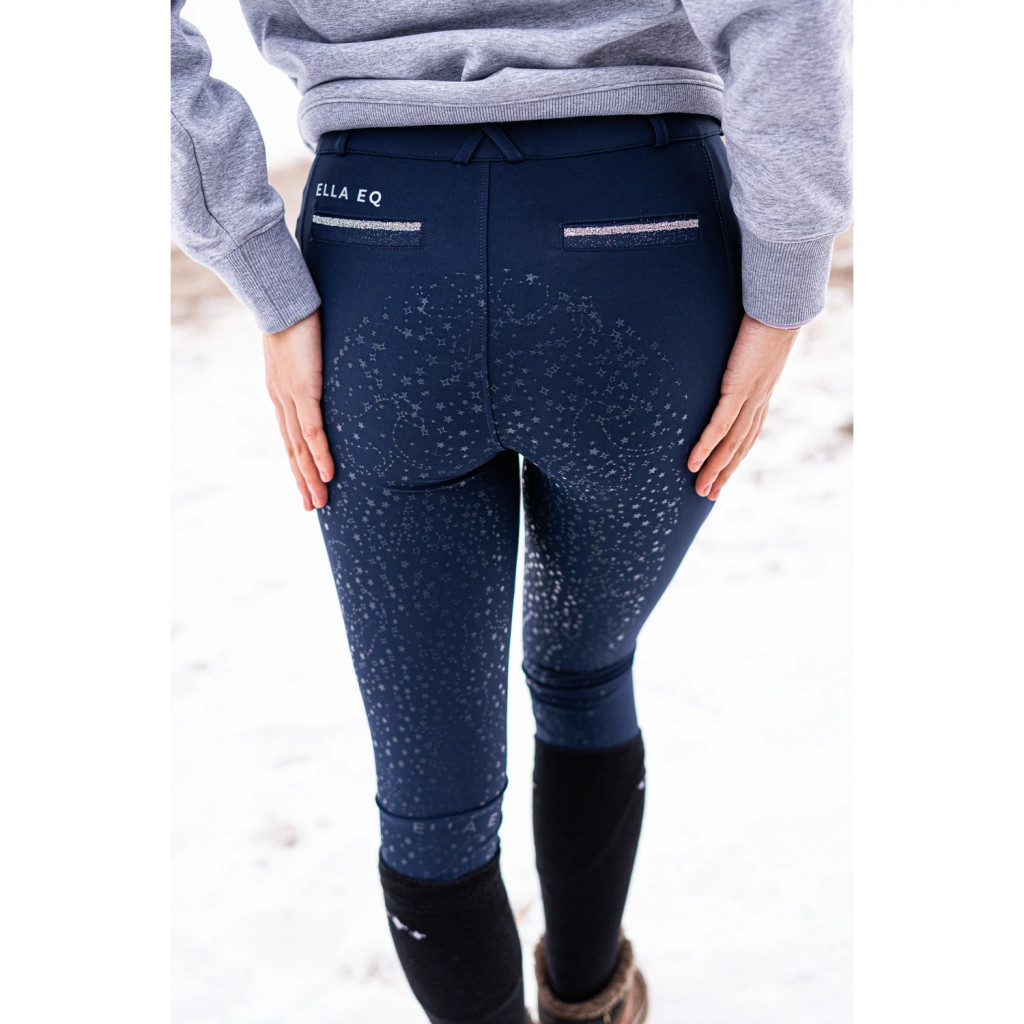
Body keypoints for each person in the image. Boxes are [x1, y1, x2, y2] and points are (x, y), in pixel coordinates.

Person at [170, 2, 852, 1022]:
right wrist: (786, 277)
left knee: (430, 794)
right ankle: (591, 998)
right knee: (585, 670)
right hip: (643, 245)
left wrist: (257, 264)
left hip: (378, 251)